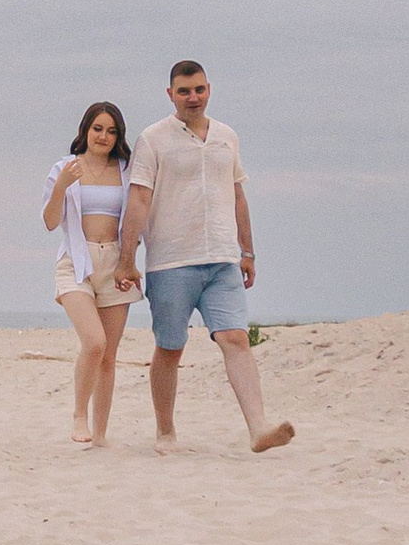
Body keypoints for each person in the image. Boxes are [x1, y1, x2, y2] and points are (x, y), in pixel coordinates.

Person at [124, 60, 295, 455]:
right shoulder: (153, 139)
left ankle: (258, 428)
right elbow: (139, 198)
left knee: (235, 338)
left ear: (209, 89)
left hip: (222, 258)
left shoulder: (226, 136)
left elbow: (237, 194)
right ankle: (165, 431)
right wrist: (127, 257)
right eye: (184, 91)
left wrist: (247, 250)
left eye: (199, 89)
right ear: (171, 94)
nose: (193, 97)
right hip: (171, 261)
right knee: (170, 347)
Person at [43, 102, 138, 445]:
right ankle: (79, 414)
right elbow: (49, 221)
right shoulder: (64, 168)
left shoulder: (126, 170)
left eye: (111, 131)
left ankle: (100, 434)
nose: (103, 136)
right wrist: (62, 185)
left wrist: (130, 260)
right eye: (98, 129)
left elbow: (139, 217)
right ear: (85, 130)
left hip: (115, 263)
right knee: (94, 343)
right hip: (76, 261)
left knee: (108, 355)